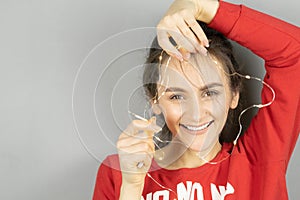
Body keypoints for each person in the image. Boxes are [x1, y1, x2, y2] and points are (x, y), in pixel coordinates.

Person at [93, 0, 300, 199]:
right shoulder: (119, 173)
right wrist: (131, 187)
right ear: (155, 101)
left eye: (209, 93)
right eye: (176, 96)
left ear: (233, 94)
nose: (196, 113)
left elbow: (295, 53)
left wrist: (200, 6)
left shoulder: (260, 160)